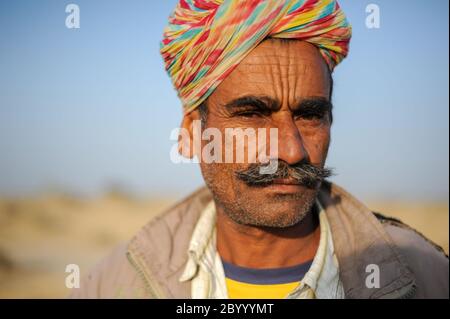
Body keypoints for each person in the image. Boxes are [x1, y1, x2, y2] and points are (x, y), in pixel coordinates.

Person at [70, 0, 448, 299]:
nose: (291, 150)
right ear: (192, 129)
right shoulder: (112, 284)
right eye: (252, 114)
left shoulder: (424, 276)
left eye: (310, 115)